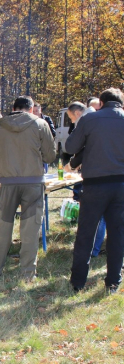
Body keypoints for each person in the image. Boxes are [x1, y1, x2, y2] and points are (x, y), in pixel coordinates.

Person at [0, 96, 56, 281]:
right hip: (33, 182)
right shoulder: (41, 124)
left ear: (14, 108)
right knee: (30, 228)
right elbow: (50, 156)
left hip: (7, 182)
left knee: (3, 226)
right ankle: (27, 273)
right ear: (31, 108)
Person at [65, 88, 124, 293]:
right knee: (118, 234)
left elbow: (71, 147)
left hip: (95, 184)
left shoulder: (90, 120)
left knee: (86, 233)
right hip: (121, 184)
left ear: (101, 102)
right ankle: (113, 281)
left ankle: (78, 281)